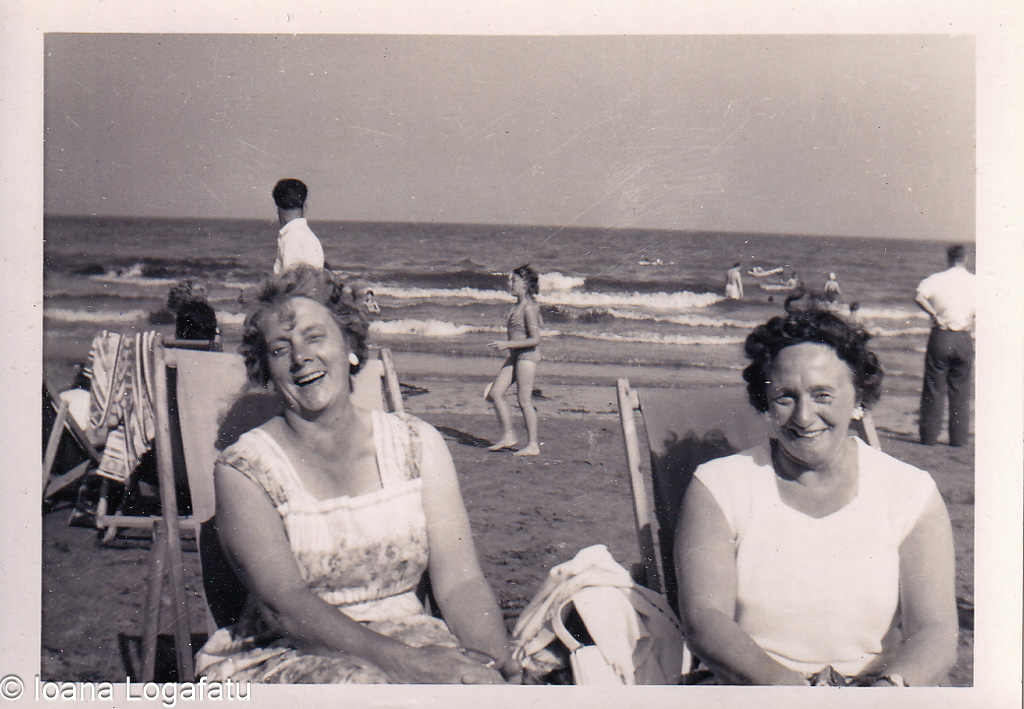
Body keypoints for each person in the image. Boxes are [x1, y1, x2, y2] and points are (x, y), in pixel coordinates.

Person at [195, 266, 521, 684]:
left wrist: (499, 665)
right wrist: (409, 664)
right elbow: (286, 609)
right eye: (280, 349)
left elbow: (460, 584)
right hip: (288, 653)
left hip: (416, 644)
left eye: (315, 337)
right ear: (266, 372)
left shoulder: (416, 444)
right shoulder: (244, 469)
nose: (301, 358)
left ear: (349, 344)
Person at [675, 307, 958, 686]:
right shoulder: (720, 485)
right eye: (785, 398)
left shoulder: (909, 491)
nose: (805, 416)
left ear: (858, 399)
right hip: (757, 687)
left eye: (822, 394)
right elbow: (705, 620)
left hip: (878, 689)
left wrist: (887, 691)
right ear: (765, 402)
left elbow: (936, 630)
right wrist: (793, 691)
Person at [914, 245, 975, 447]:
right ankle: (958, 439)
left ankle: (929, 437)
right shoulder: (976, 282)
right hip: (963, 337)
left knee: (934, 387)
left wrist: (934, 314)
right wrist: (970, 317)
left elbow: (919, 296)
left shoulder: (936, 279)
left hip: (941, 335)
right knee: (961, 389)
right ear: (965, 258)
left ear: (948, 258)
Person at [485, 264, 543, 456]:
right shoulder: (515, 307)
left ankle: (533, 445)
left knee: (523, 401)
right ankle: (508, 435)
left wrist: (506, 345)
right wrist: (508, 347)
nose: (510, 283)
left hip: (527, 356)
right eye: (511, 280)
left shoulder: (529, 308)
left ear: (525, 284)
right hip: (515, 356)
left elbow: (535, 340)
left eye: (514, 280)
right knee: (495, 393)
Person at [272, 178, 325, 275]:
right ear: (305, 207)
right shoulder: (309, 237)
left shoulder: (290, 239)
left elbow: (292, 285)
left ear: (276, 207)